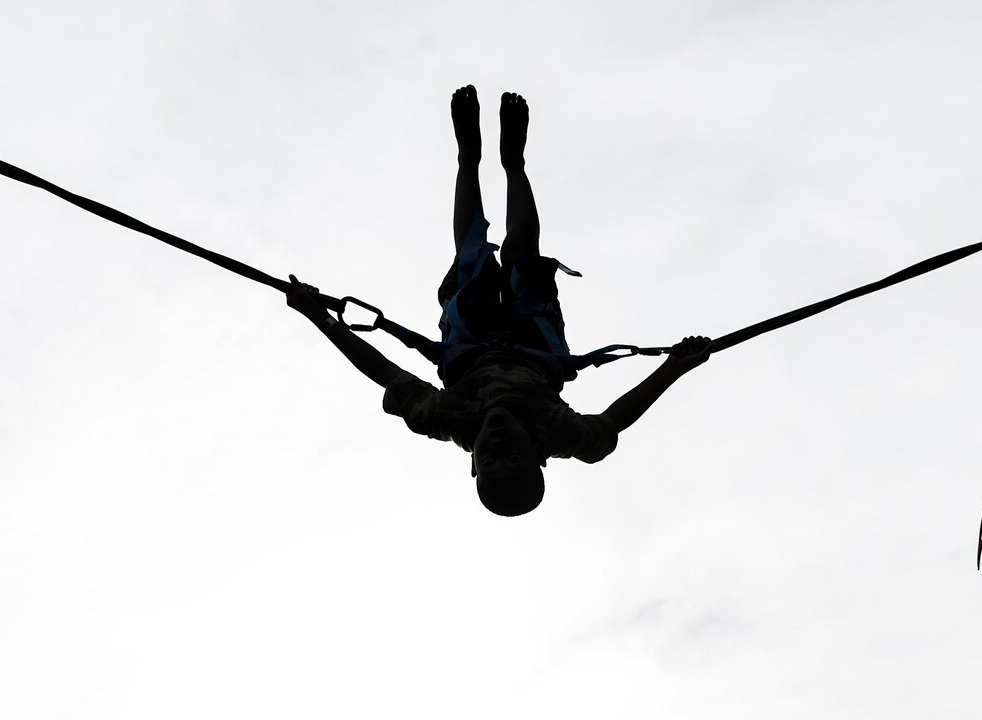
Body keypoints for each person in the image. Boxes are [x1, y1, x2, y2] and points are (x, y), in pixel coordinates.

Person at [288, 85, 713, 516]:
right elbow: (613, 422)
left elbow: (382, 371)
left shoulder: (449, 419)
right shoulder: (558, 432)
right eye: (514, 457)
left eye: (488, 461)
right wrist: (674, 367)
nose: (498, 446)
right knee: (523, 254)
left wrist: (321, 319)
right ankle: (514, 163)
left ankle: (467, 160)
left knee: (470, 252)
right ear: (537, 456)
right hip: (533, 336)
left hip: (470, 337)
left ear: (473, 466)